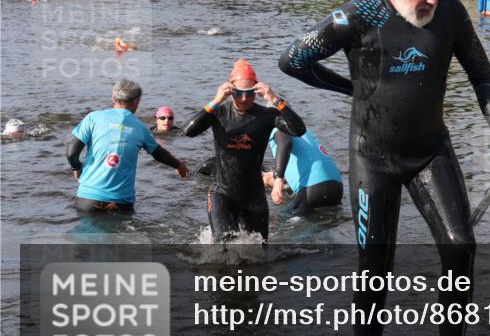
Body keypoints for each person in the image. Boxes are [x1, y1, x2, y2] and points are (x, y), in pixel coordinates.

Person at [279, 0, 490, 336]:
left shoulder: (450, 13)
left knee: (460, 246)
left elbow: (482, 73)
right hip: (374, 155)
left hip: (431, 150)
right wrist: (349, 88)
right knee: (375, 268)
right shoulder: (355, 16)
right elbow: (293, 60)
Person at [183, 60, 306, 241]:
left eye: (249, 93)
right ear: (230, 89)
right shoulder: (219, 113)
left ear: (256, 90)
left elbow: (298, 130)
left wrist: (274, 99)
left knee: (259, 252)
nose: (243, 99)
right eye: (238, 93)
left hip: (254, 196)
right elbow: (189, 131)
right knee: (223, 245)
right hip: (222, 193)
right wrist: (216, 100)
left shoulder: (267, 115)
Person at [66, 79, 188, 213]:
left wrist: (76, 167)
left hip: (88, 200)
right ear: (136, 102)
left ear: (113, 97)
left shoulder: (92, 118)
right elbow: (159, 154)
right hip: (121, 203)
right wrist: (178, 165)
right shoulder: (141, 128)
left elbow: (71, 153)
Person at [265, 127, 343, 216]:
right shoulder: (296, 126)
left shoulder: (276, 126)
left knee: (282, 222)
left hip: (315, 187)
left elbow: (285, 142)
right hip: (336, 187)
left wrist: (278, 178)